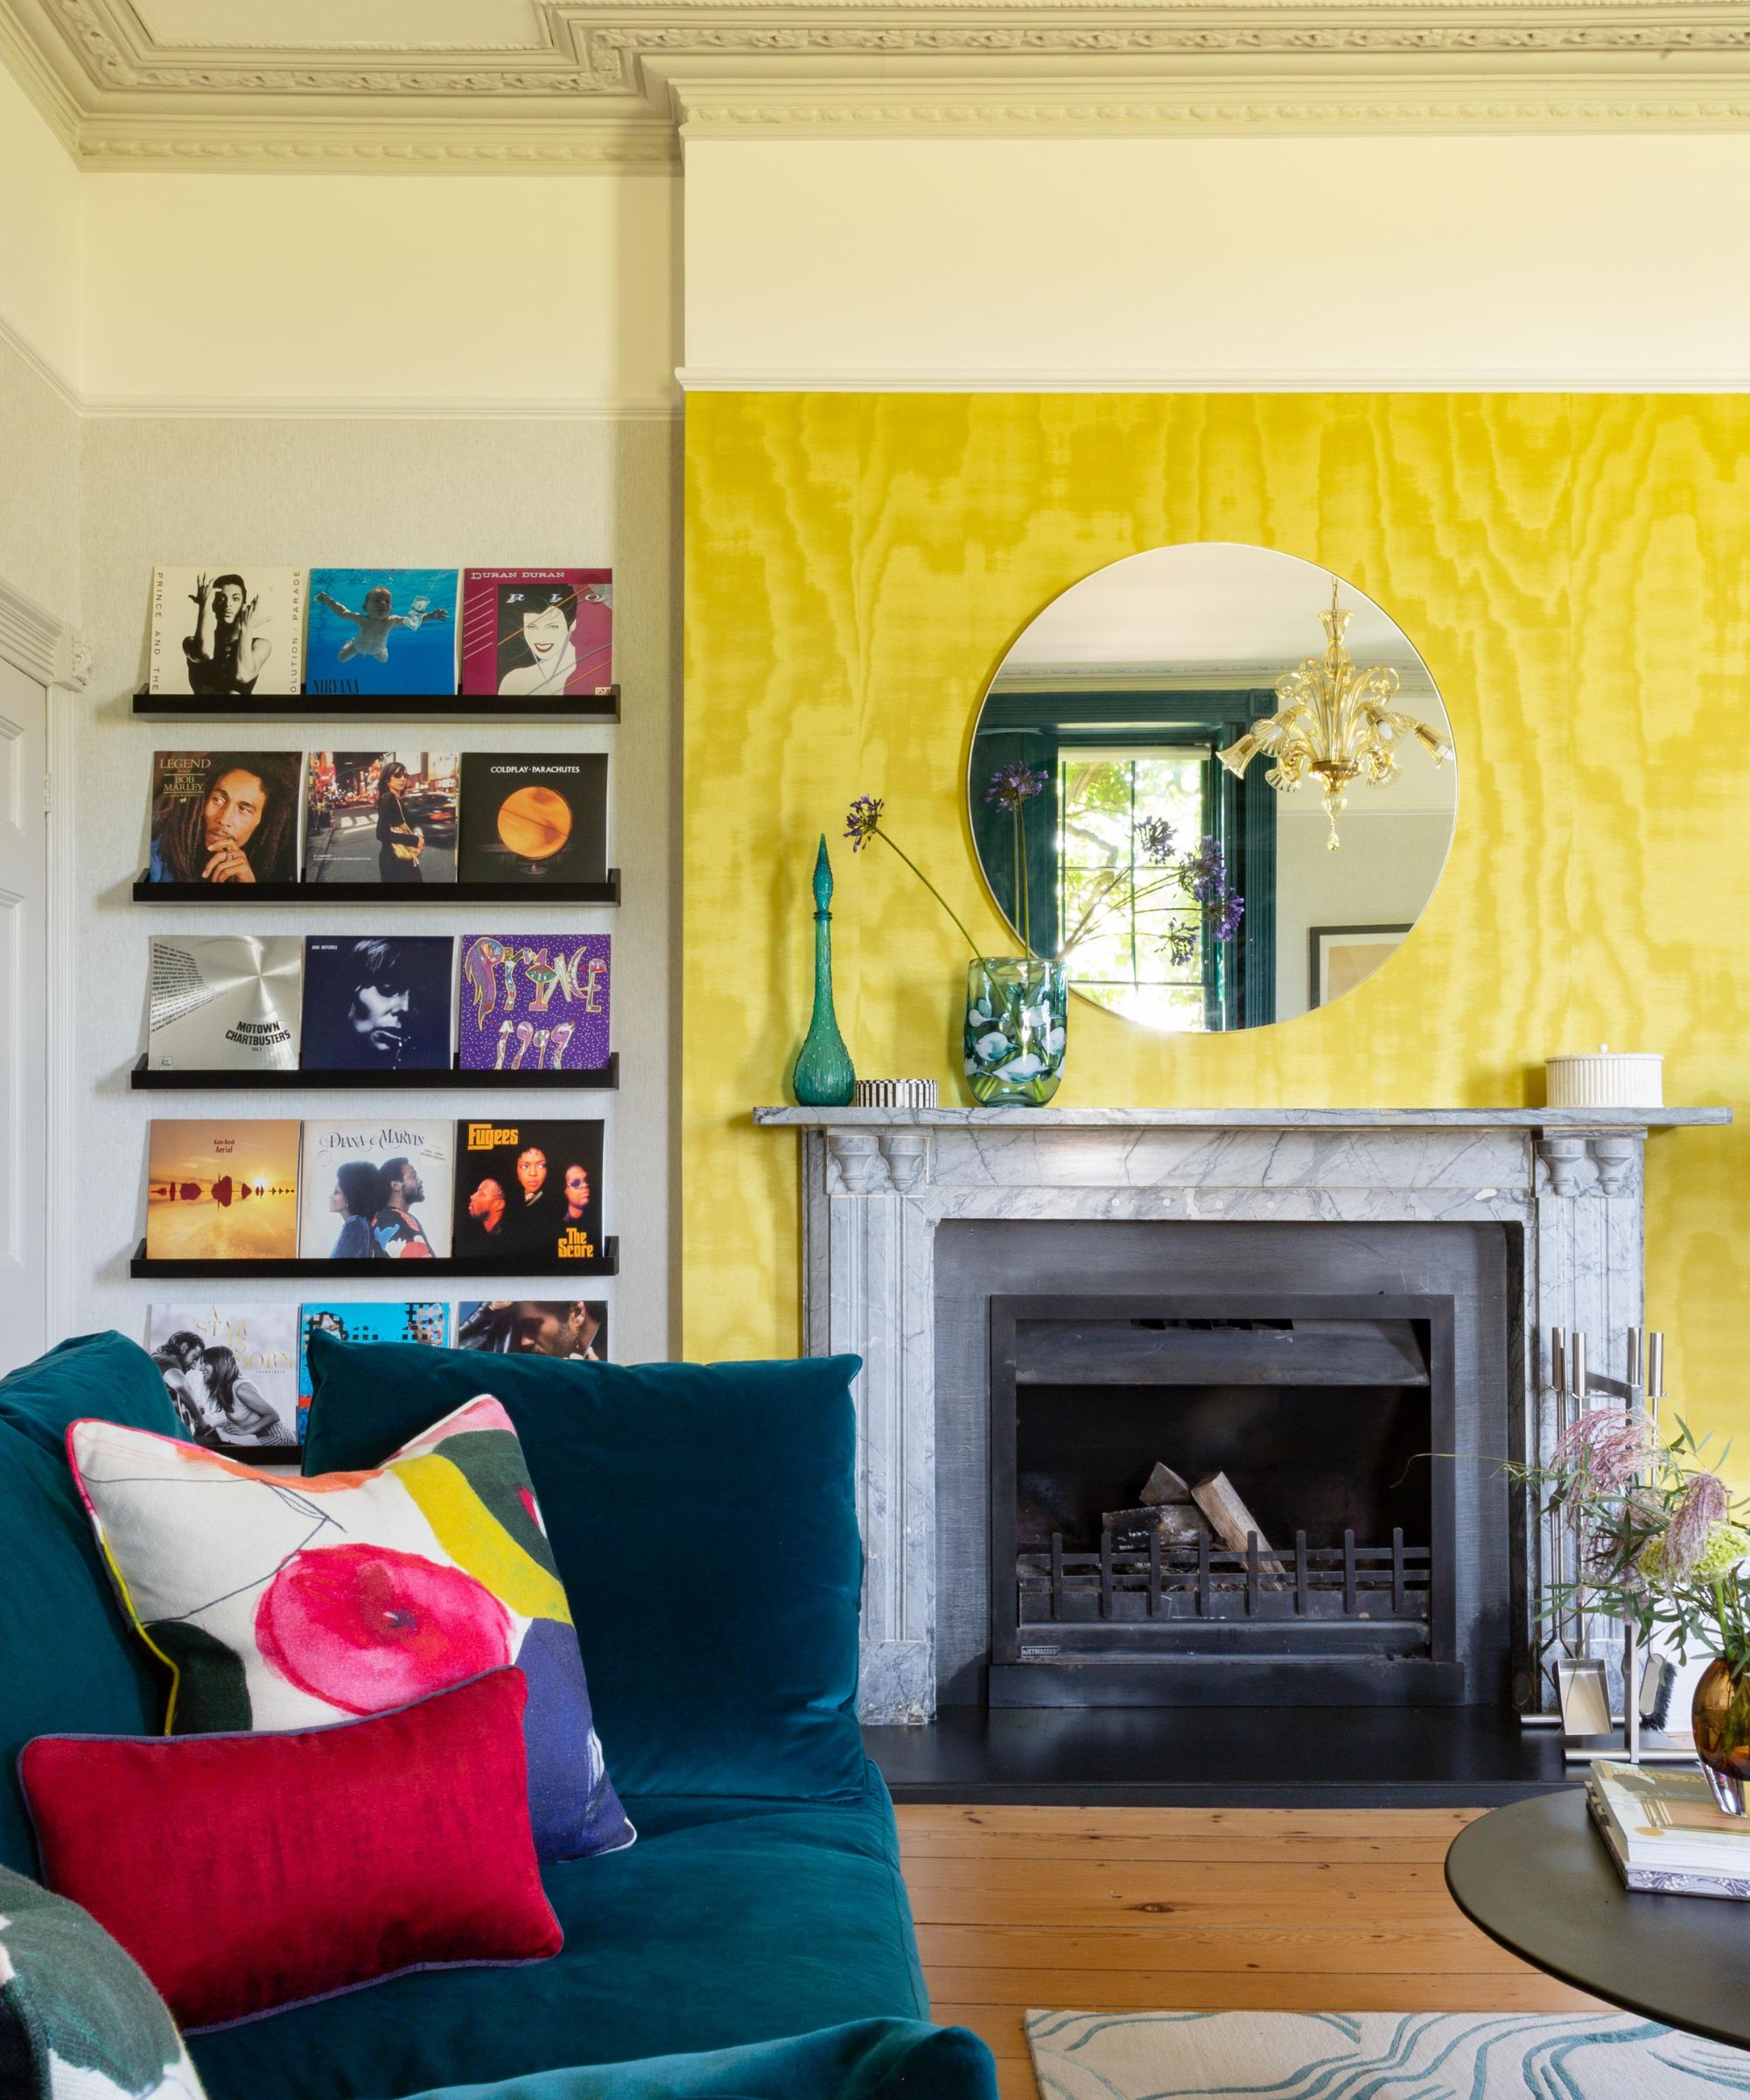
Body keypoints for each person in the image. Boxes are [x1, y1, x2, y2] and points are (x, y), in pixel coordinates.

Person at [149, 752, 295, 885]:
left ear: (262, 821)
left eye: (244, 809)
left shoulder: (269, 869)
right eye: (218, 800)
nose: (224, 819)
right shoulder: (155, 858)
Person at [315, 584, 447, 668]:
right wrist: (328, 601)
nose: (383, 603)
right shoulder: (361, 619)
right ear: (365, 607)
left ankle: (384, 649)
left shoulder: (392, 621)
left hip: (378, 650)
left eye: (387, 602)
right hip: (357, 646)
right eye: (378, 600)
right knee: (341, 658)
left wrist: (431, 616)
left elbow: (412, 620)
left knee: (384, 660)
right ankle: (350, 641)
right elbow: (343, 612)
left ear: (391, 608)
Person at [183, 572, 270, 696]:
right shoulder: (191, 642)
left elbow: (243, 675)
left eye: (235, 599)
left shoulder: (260, 645)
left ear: (243, 606)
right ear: (213, 604)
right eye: (221, 598)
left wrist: (247, 628)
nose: (228, 604)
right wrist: (204, 604)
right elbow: (205, 653)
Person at [196, 1345, 292, 1447]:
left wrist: (245, 1430)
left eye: (206, 1363)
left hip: (278, 1438)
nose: (200, 1368)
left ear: (219, 1364)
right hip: (257, 1436)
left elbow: (273, 1415)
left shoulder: (241, 1388)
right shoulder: (226, 1388)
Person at [498, 583, 578, 697]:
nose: (541, 638)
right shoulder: (514, 680)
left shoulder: (590, 666)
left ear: (572, 624)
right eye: (531, 627)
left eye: (552, 627)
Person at [374, 1154, 435, 1259]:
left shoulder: (407, 1218)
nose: (420, 1180)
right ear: (396, 1185)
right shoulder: (386, 1219)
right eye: (413, 1176)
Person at [375, 760, 424, 886]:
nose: (403, 779)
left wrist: (418, 833)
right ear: (387, 780)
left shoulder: (396, 799)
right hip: (395, 861)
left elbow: (409, 823)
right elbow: (381, 833)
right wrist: (415, 840)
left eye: (405, 775)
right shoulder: (389, 798)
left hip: (400, 857)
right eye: (397, 775)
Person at [326, 1159, 383, 1260]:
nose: (331, 1196)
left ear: (351, 1197)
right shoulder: (360, 1223)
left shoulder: (355, 1225)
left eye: (336, 1192)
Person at [510, 1144, 554, 1254]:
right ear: (516, 1171)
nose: (533, 1173)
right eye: (525, 1167)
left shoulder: (556, 1206)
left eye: (541, 1166)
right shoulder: (509, 1204)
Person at [460, 1176, 508, 1255]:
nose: (472, 1197)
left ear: (499, 1205)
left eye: (481, 1194)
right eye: (477, 1192)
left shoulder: (503, 1244)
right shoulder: (478, 1235)